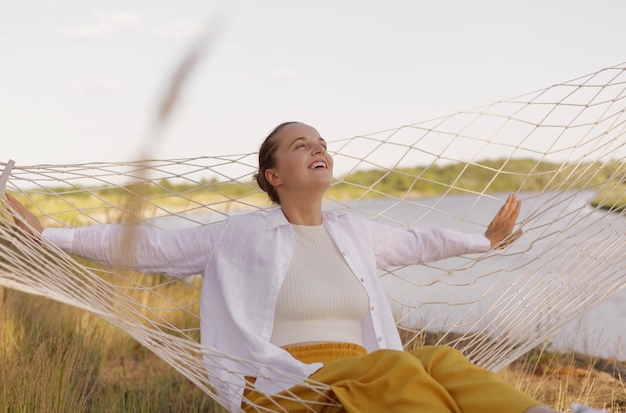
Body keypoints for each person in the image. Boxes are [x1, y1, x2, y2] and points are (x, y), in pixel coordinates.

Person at [5, 122, 607, 413]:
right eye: (300, 146)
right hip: (280, 381)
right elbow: (149, 247)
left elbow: (421, 241)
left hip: (365, 370)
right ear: (274, 176)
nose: (318, 148)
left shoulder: (352, 232)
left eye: (320, 142)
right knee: (401, 372)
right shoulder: (239, 236)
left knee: (442, 361)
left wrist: (484, 242)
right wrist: (48, 233)